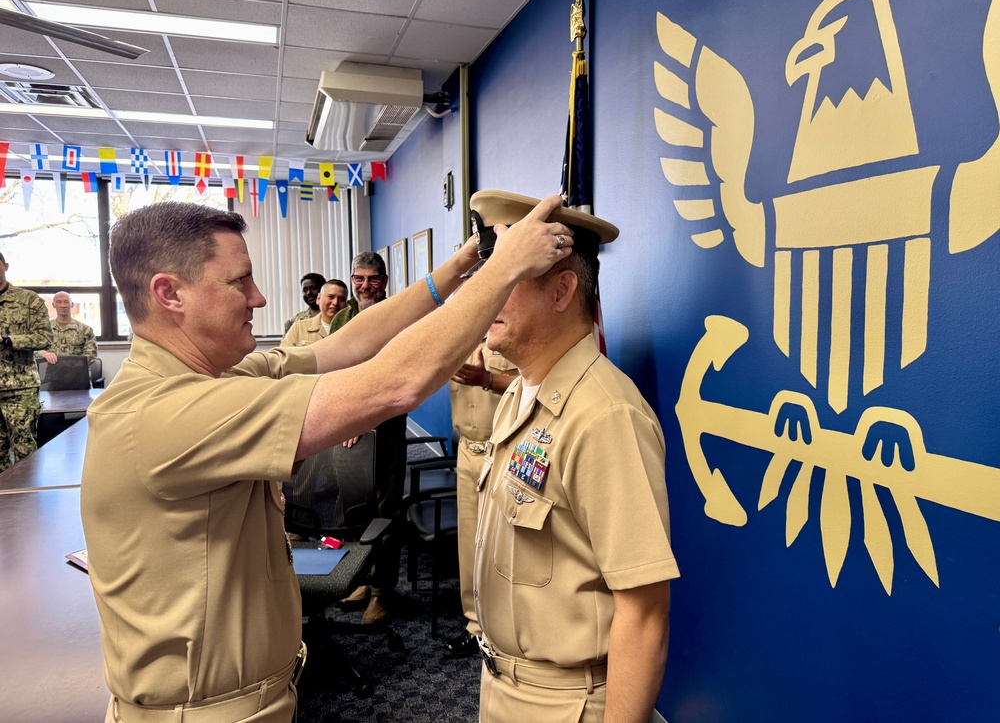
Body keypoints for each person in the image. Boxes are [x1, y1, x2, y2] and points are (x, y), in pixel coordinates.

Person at [80, 199, 574, 722]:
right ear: (169, 293)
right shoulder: (164, 413)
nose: (259, 297)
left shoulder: (217, 377)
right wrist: (504, 269)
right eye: (238, 282)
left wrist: (462, 264)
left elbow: (355, 342)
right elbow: (395, 382)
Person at [469, 191, 679, 723]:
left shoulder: (605, 416)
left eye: (507, 273)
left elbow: (645, 612)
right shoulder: (519, 394)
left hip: (565, 704)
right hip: (504, 687)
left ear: (562, 290)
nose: (484, 292)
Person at [327, 251, 407, 625]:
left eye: (372, 279)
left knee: (385, 512)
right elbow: (335, 372)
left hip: (385, 427)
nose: (364, 286)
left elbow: (395, 376)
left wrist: (365, 418)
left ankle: (382, 593)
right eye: (358, 279)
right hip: (350, 432)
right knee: (355, 510)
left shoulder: (398, 316)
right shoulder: (343, 318)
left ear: (385, 280)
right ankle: (363, 579)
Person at [442, 340, 518, 658]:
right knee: (469, 545)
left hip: (502, 450)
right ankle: (475, 628)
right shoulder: (455, 335)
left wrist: (486, 379)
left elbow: (534, 381)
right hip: (466, 451)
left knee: (507, 545)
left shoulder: (511, 331)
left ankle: (508, 631)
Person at [0, 250, 53, 472]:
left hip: (19, 389)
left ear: (5, 266)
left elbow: (45, 337)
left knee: (24, 453)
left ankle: (28, 504)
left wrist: (9, 340)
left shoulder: (28, 300)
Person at [280, 279, 348, 347]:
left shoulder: (351, 327)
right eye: (331, 297)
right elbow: (283, 356)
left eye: (341, 299)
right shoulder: (299, 328)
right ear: (318, 298)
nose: (335, 303)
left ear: (346, 304)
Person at [37, 291, 98, 365]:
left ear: (72, 304)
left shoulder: (85, 330)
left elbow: (91, 354)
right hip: (53, 372)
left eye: (66, 302)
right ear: (53, 305)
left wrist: (72, 367)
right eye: (59, 302)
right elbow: (33, 350)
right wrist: (44, 353)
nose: (63, 305)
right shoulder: (44, 328)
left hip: (78, 372)